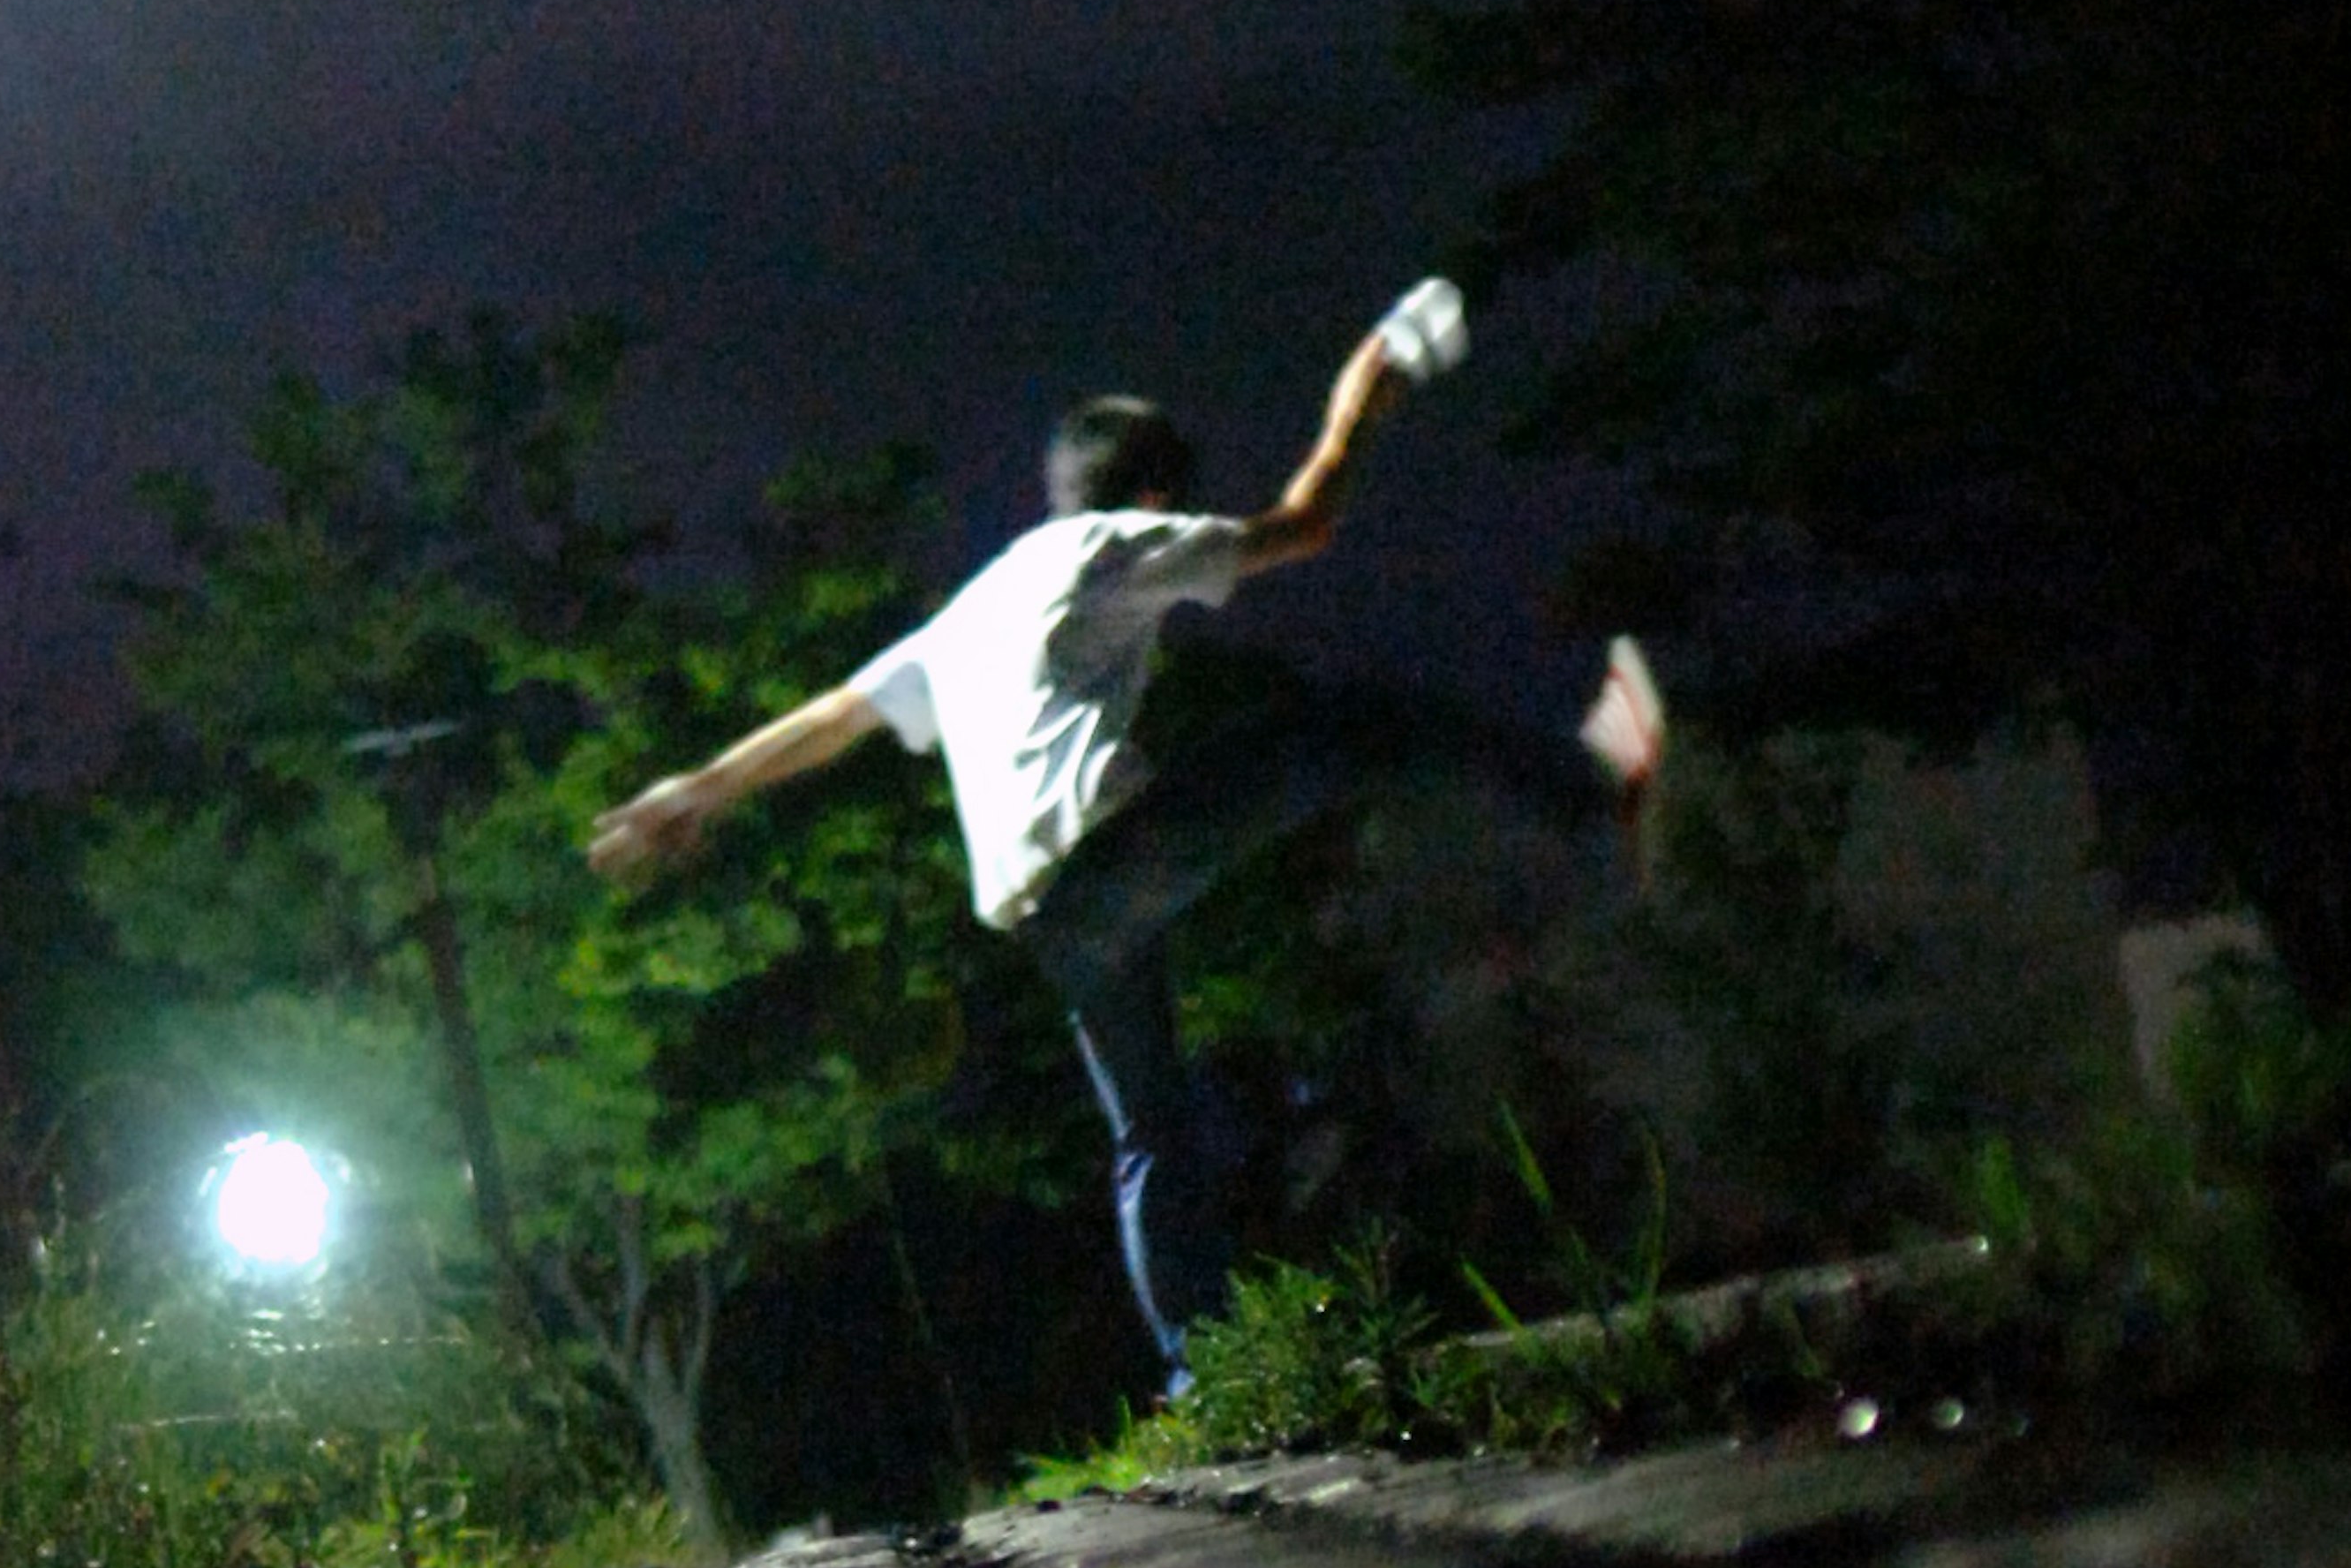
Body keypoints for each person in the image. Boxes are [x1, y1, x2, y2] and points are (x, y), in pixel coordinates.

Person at [584, 324, 1657, 1382]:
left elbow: (838, 715)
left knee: (1151, 1132)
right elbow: (1303, 523)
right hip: (1115, 858)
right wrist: (1363, 393)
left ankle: (1207, 1373)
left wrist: (702, 786)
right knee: (1350, 723)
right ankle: (1593, 789)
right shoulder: (1111, 546)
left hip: (1052, 922)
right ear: (1152, 498)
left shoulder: (967, 611)